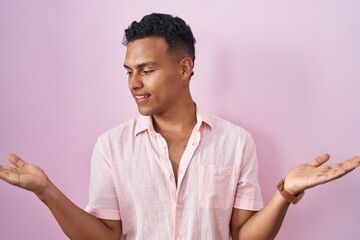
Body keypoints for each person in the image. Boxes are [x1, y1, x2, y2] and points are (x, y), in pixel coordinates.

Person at [0, 13, 359, 240]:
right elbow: (105, 238)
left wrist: (283, 194)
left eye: (147, 70)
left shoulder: (235, 142)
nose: (134, 83)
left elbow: (244, 237)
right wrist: (45, 190)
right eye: (129, 71)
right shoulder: (110, 146)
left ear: (184, 68)